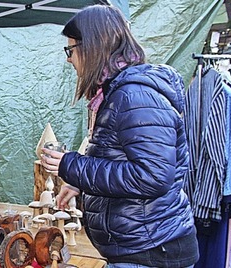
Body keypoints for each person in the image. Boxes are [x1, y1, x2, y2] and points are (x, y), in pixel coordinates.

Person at [41, 5, 199, 268]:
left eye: (71, 50)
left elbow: (153, 176)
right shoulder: (117, 92)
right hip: (141, 246)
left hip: (152, 250)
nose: (69, 59)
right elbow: (123, 160)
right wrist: (81, 183)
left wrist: (73, 166)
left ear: (92, 46)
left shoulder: (134, 95)